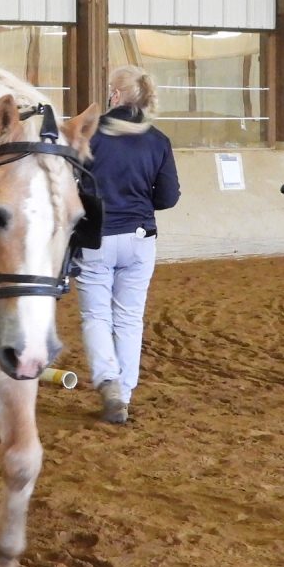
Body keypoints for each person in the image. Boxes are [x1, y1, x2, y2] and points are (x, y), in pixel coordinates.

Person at [76, 65, 181, 424]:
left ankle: (108, 381)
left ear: (116, 96)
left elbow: (73, 184)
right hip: (140, 239)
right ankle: (125, 391)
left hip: (97, 238)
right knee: (129, 319)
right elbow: (168, 197)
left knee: (96, 315)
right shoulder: (157, 139)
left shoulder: (91, 135)